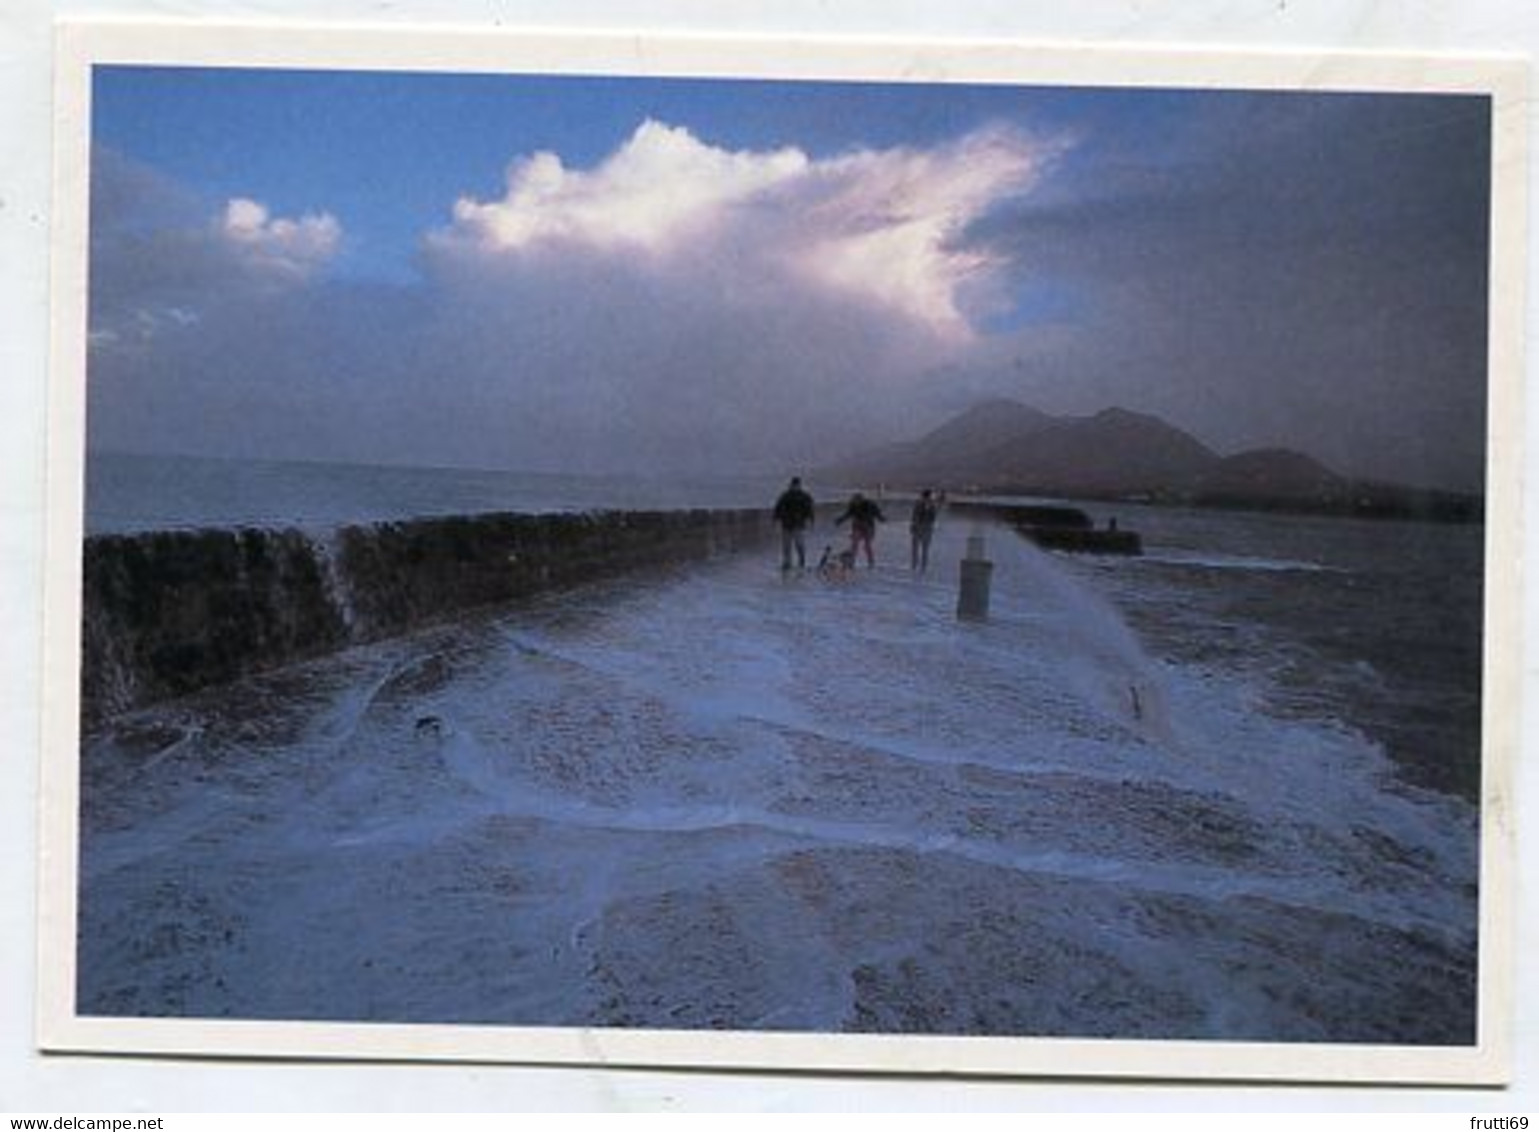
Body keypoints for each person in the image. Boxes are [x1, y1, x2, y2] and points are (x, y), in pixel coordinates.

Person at [772, 476, 815, 570]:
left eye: (797, 485)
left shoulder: (804, 496)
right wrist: (775, 520)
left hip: (798, 525)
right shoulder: (785, 496)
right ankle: (787, 563)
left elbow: (810, 509)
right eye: (794, 485)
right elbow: (777, 509)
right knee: (786, 546)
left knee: (799, 544)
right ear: (791, 485)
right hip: (786, 525)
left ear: (799, 485)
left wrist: (811, 520)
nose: (795, 487)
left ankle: (802, 560)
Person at [834, 491, 886, 568]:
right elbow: (848, 514)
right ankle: (852, 562)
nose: (856, 503)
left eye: (857, 501)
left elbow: (877, 513)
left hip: (868, 527)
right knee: (854, 544)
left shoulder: (869, 505)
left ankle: (871, 562)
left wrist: (881, 518)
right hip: (857, 527)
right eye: (855, 501)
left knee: (867, 545)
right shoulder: (853, 506)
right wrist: (840, 520)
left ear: (861, 500)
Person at [909, 488, 939, 573]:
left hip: (921, 529)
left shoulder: (920, 504)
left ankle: (917, 565)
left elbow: (915, 517)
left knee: (919, 549)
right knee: (923, 549)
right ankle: (920, 566)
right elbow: (932, 518)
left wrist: (913, 526)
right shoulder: (931, 505)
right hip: (925, 529)